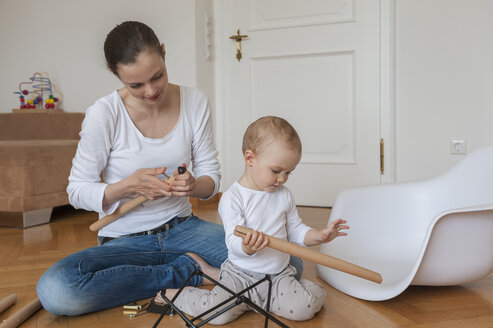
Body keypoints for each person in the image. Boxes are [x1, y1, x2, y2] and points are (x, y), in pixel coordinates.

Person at [35, 20, 230, 316]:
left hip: (184, 229)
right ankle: (186, 270)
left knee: (284, 262)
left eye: (157, 76)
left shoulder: (195, 101)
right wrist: (128, 186)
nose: (151, 91)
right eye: (136, 85)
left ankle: (162, 273)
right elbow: (76, 191)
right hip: (124, 240)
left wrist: (193, 185)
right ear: (115, 74)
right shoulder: (104, 113)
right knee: (58, 290)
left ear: (163, 53)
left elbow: (210, 178)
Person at [155, 116, 349, 324]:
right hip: (240, 275)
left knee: (305, 309)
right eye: (276, 171)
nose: (282, 179)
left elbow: (296, 231)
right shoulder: (233, 198)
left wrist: (319, 235)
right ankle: (179, 295)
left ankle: (300, 290)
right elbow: (232, 241)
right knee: (217, 315)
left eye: (288, 173)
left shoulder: (284, 195)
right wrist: (246, 247)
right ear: (250, 158)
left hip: (277, 275)